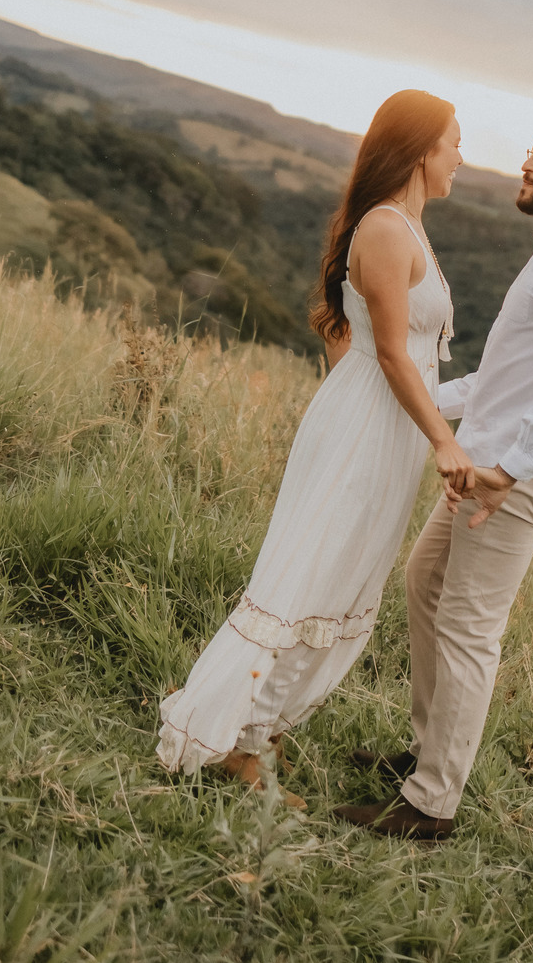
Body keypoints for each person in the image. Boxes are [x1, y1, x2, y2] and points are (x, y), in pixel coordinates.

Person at [157, 90, 474, 804]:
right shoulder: (386, 228)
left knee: (343, 583)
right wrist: (443, 441)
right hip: (368, 427)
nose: (461, 156)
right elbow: (389, 353)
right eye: (454, 142)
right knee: (312, 579)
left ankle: (260, 728)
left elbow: (354, 338)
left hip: (384, 426)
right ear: (422, 150)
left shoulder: (408, 229)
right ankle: (235, 743)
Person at [334, 113, 533, 841]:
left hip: (518, 471)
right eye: (530, 152)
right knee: (426, 582)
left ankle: (431, 805)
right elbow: (501, 383)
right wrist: (406, 400)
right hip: (494, 458)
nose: (524, 165)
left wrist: (509, 469)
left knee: (469, 626)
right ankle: (425, 754)